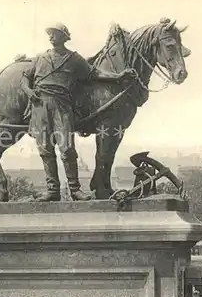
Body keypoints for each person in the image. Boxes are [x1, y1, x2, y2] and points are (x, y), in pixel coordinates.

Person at [21, 22, 135, 202]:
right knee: (45, 149)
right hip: (40, 105)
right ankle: (52, 190)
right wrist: (28, 91)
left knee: (66, 148)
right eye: (49, 33)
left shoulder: (73, 58)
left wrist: (118, 76)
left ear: (64, 37)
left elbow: (93, 73)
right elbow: (25, 77)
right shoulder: (40, 58)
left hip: (62, 105)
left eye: (55, 33)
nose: (51, 36)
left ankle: (75, 190)